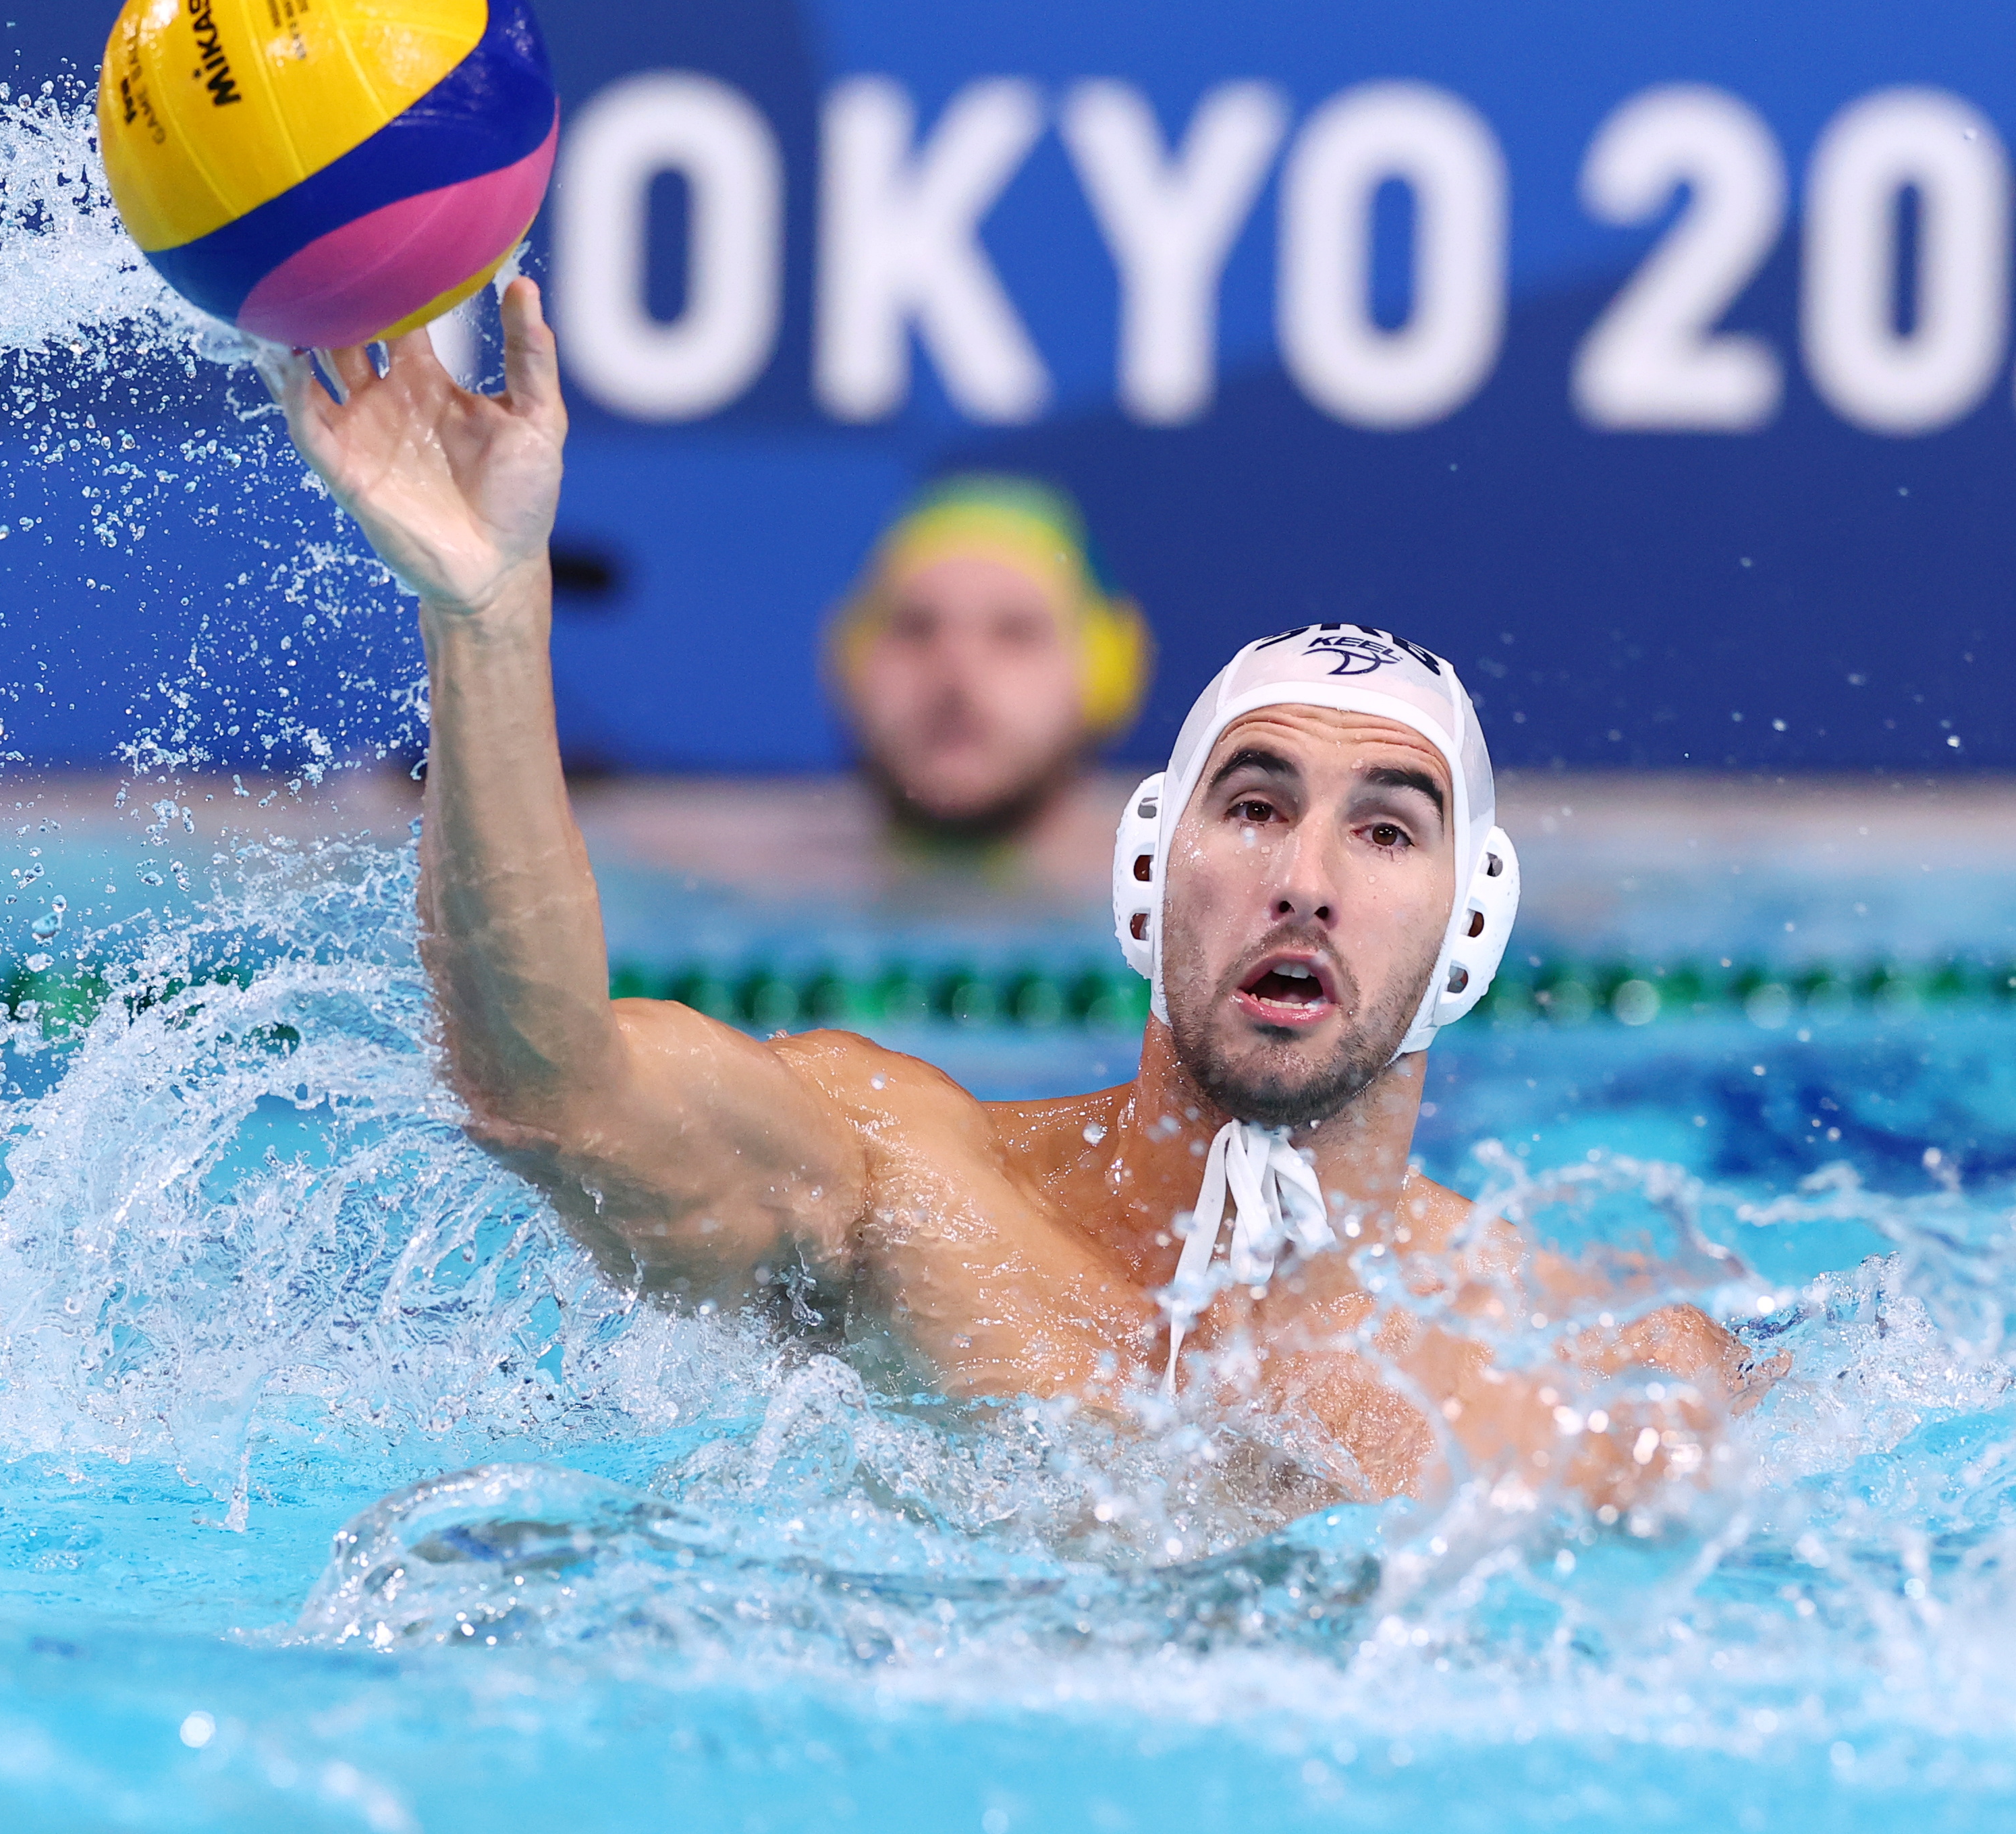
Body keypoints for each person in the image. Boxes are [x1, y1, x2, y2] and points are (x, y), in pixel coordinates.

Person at [263, 285, 1772, 1510]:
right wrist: (485, 612)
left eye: (1388, 834)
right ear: (1143, 871)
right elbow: (547, 1094)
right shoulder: (907, 1187)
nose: (1304, 880)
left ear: (1472, 931)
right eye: (1251, 808)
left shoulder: (1604, 1375)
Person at [825, 473, 1152, 865]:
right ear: (852, 662)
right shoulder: (765, 885)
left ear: (1107, 674)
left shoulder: (1180, 901)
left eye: (1014, 632)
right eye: (916, 628)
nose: (955, 674)